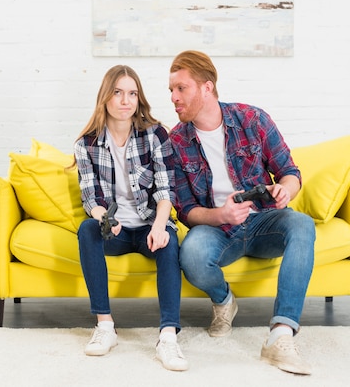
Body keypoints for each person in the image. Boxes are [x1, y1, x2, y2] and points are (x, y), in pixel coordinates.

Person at [168, 50, 315, 375]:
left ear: (206, 88)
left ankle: (280, 334)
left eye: (181, 88)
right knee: (190, 253)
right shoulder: (175, 141)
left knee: (302, 225)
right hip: (217, 228)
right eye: (171, 91)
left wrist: (284, 190)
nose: (174, 98)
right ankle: (224, 301)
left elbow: (290, 171)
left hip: (263, 221)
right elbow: (185, 210)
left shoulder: (253, 120)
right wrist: (220, 215)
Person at [73, 65, 188, 372]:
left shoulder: (155, 135)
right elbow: (91, 198)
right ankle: (105, 326)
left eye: (132, 93)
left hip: (150, 226)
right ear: (105, 98)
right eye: (118, 92)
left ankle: (167, 336)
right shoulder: (86, 143)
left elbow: (166, 189)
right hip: (116, 230)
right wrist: (103, 219)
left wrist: (161, 226)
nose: (126, 100)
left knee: (170, 243)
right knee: (87, 230)